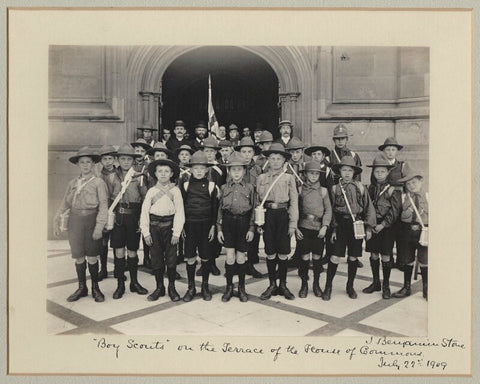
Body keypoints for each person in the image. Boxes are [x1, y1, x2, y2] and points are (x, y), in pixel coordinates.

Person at [53, 147, 108, 303]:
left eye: (88, 162)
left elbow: (103, 206)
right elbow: (65, 203)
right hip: (75, 221)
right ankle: (82, 287)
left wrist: (99, 227)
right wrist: (56, 219)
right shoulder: (72, 183)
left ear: (93, 164)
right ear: (78, 164)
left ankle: (95, 288)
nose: (85, 165)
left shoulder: (98, 182)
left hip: (91, 220)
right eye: (82, 162)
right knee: (78, 256)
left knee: (92, 256)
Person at [322, 156, 376, 301]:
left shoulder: (360, 187)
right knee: (335, 256)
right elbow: (331, 209)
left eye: (350, 170)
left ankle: (350, 286)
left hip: (356, 225)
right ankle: (328, 286)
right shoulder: (334, 189)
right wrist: (333, 229)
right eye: (344, 170)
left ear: (354, 172)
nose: (347, 173)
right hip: (340, 225)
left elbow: (368, 208)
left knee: (353, 256)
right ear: (340, 171)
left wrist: (369, 228)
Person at [256, 142, 299, 300]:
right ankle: (272, 284)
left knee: (283, 251)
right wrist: (258, 223)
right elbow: (257, 202)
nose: (275, 161)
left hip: (283, 215)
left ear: (283, 161)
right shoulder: (261, 178)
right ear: (268, 160)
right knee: (270, 251)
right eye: (272, 158)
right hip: (267, 216)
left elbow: (294, 202)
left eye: (278, 159)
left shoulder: (289, 178)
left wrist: (293, 224)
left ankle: (283, 284)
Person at [106, 144, 148, 299]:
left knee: (132, 250)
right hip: (118, 217)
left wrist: (141, 221)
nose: (125, 162)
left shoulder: (139, 176)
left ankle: (134, 282)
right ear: (117, 159)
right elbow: (109, 199)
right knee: (118, 251)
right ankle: (120, 285)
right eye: (122, 158)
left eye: (128, 159)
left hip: (133, 217)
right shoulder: (112, 177)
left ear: (133, 160)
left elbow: (144, 199)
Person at [140, 159, 185, 302]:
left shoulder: (175, 191)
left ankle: (172, 287)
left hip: (170, 228)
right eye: (160, 171)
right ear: (155, 174)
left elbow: (180, 213)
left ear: (172, 174)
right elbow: (144, 212)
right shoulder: (151, 191)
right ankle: (159, 287)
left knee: (171, 260)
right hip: (154, 228)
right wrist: (146, 232)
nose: (163, 174)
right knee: (156, 259)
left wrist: (177, 232)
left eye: (167, 171)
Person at [217, 152, 256, 302]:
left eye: (239, 169)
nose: (236, 173)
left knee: (241, 258)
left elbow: (253, 208)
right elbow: (220, 209)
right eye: (233, 169)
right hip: (228, 223)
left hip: (243, 223)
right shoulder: (224, 188)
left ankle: (241, 288)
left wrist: (251, 228)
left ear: (244, 171)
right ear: (229, 171)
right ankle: (229, 288)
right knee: (230, 256)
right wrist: (219, 228)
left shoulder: (250, 188)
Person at [180, 151, 219, 302]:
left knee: (205, 256)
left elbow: (215, 208)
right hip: (189, 226)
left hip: (205, 226)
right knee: (190, 256)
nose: (198, 171)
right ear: (190, 169)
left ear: (207, 170)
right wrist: (182, 226)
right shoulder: (184, 185)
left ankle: (205, 286)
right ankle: (191, 287)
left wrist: (213, 226)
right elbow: (181, 207)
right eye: (195, 168)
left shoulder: (211, 186)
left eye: (202, 168)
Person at [363, 154, 401, 299]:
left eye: (382, 171)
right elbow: (366, 207)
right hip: (372, 225)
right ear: (373, 173)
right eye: (377, 171)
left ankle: (386, 285)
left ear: (388, 172)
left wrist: (383, 224)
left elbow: (395, 210)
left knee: (385, 255)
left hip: (387, 227)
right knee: (373, 254)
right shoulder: (370, 189)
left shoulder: (392, 190)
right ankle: (375, 282)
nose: (379, 174)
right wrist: (369, 226)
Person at [327, 124, 364, 268]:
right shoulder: (329, 155)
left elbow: (358, 176)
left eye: (342, 138)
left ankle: (353, 255)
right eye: (337, 139)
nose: (340, 141)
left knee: (352, 224)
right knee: (334, 222)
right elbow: (328, 177)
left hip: (351, 191)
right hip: (335, 192)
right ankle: (330, 253)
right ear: (334, 140)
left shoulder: (354, 155)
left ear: (347, 139)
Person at [296, 160, 332, 298]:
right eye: (311, 173)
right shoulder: (300, 190)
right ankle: (304, 284)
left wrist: (325, 226)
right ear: (305, 174)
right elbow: (295, 210)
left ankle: (316, 284)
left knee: (317, 257)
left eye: (316, 174)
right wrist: (295, 228)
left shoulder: (323, 191)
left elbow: (328, 210)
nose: (313, 176)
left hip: (318, 229)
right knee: (304, 257)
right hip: (303, 227)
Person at [392, 168, 428, 300]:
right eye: (408, 184)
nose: (411, 186)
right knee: (408, 259)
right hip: (407, 231)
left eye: (414, 182)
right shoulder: (404, 197)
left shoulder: (429, 195)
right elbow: (403, 217)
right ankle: (406, 287)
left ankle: (426, 288)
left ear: (420, 182)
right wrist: (407, 211)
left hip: (423, 231)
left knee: (424, 259)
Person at [234, 137, 263, 278]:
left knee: (253, 237)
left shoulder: (258, 169)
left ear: (253, 153)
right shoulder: (235, 168)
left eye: (249, 151)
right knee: (238, 235)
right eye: (243, 151)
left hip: (254, 206)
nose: (246, 154)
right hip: (239, 208)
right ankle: (236, 264)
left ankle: (250, 264)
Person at [131, 138, 153, 268]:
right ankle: (132, 257)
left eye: (142, 150)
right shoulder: (130, 165)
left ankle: (147, 257)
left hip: (146, 200)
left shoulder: (149, 165)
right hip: (134, 201)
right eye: (137, 150)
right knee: (133, 230)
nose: (139, 152)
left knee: (146, 228)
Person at [97, 145, 117, 280]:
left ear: (114, 159)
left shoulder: (119, 174)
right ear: (101, 161)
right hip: (102, 210)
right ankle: (103, 268)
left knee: (117, 241)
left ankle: (118, 268)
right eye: (105, 159)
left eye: (110, 158)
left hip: (116, 208)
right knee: (102, 241)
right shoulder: (98, 175)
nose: (108, 161)